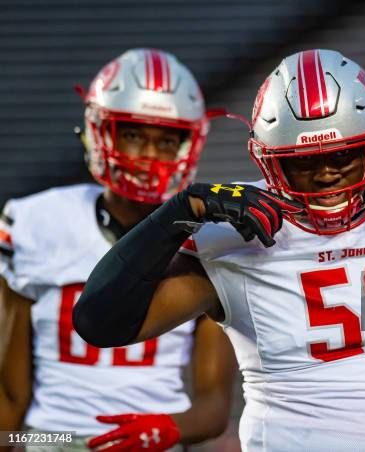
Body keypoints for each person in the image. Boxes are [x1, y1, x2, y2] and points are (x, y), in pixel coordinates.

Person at [73, 49, 365, 451]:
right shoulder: (232, 237)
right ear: (269, 162)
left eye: (342, 155)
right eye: (304, 163)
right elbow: (101, 322)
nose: (326, 173)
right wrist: (177, 214)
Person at [0, 48, 237, 452]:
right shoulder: (34, 221)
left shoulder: (212, 236)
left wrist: (161, 432)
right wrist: (43, 443)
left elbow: (214, 410)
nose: (147, 155)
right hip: (53, 438)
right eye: (132, 134)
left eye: (166, 139)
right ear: (99, 132)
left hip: (156, 441)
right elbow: (9, 403)